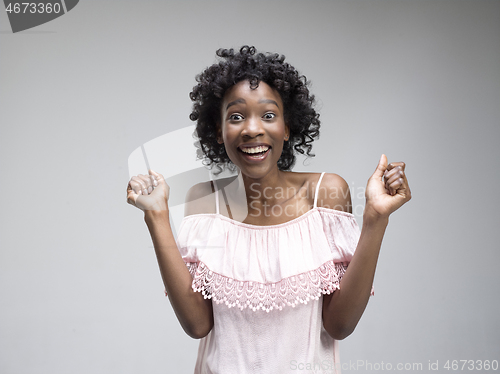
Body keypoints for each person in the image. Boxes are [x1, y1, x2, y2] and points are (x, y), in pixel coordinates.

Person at [126, 46, 411, 374]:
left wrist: (376, 219)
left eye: (268, 115)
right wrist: (157, 215)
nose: (251, 129)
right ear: (218, 132)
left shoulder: (326, 193)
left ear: (287, 128)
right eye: (235, 116)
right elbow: (197, 325)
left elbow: (340, 325)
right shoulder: (204, 202)